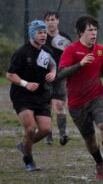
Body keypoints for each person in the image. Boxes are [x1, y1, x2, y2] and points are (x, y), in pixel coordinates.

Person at [57, 16, 103, 181]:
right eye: (90, 30)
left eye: (95, 30)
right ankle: (99, 163)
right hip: (76, 103)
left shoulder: (100, 50)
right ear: (81, 32)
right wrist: (80, 64)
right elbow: (61, 73)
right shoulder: (71, 50)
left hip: (97, 97)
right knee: (90, 140)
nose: (94, 33)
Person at [7, 20, 56, 171]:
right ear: (32, 34)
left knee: (46, 129)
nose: (43, 35)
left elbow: (53, 64)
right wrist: (25, 83)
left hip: (41, 95)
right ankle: (28, 160)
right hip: (22, 95)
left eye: (44, 32)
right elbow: (9, 74)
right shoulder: (22, 52)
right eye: (39, 32)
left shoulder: (46, 51)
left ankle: (24, 145)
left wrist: (53, 73)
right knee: (30, 129)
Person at [43, 11, 72, 146]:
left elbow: (72, 57)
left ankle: (62, 134)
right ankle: (48, 135)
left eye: (53, 19)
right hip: (44, 76)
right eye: (48, 20)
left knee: (60, 105)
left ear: (58, 21)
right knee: (46, 105)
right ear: (45, 22)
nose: (50, 22)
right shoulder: (41, 37)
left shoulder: (65, 39)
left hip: (60, 75)